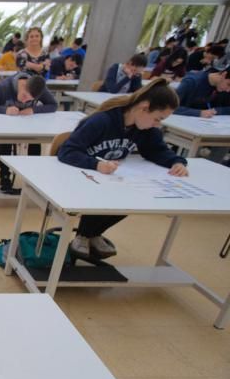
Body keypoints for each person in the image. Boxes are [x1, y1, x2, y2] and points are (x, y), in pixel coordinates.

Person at [57, 79, 187, 259]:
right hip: (79, 175)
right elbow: (67, 151)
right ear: (144, 107)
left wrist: (176, 162)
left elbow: (156, 150)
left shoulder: (145, 129)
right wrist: (96, 164)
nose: (158, 124)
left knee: (132, 199)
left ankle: (91, 234)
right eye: (157, 118)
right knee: (103, 195)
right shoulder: (102, 121)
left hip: (108, 176)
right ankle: (85, 234)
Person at [0, 73, 57, 194]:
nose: (24, 100)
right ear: (23, 85)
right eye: (24, 95)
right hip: (5, 126)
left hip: (27, 125)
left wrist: (34, 109)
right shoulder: (5, 87)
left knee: (35, 140)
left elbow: (53, 105)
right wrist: (4, 110)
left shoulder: (39, 89)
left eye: (29, 100)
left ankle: (33, 179)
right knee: (6, 139)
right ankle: (5, 178)